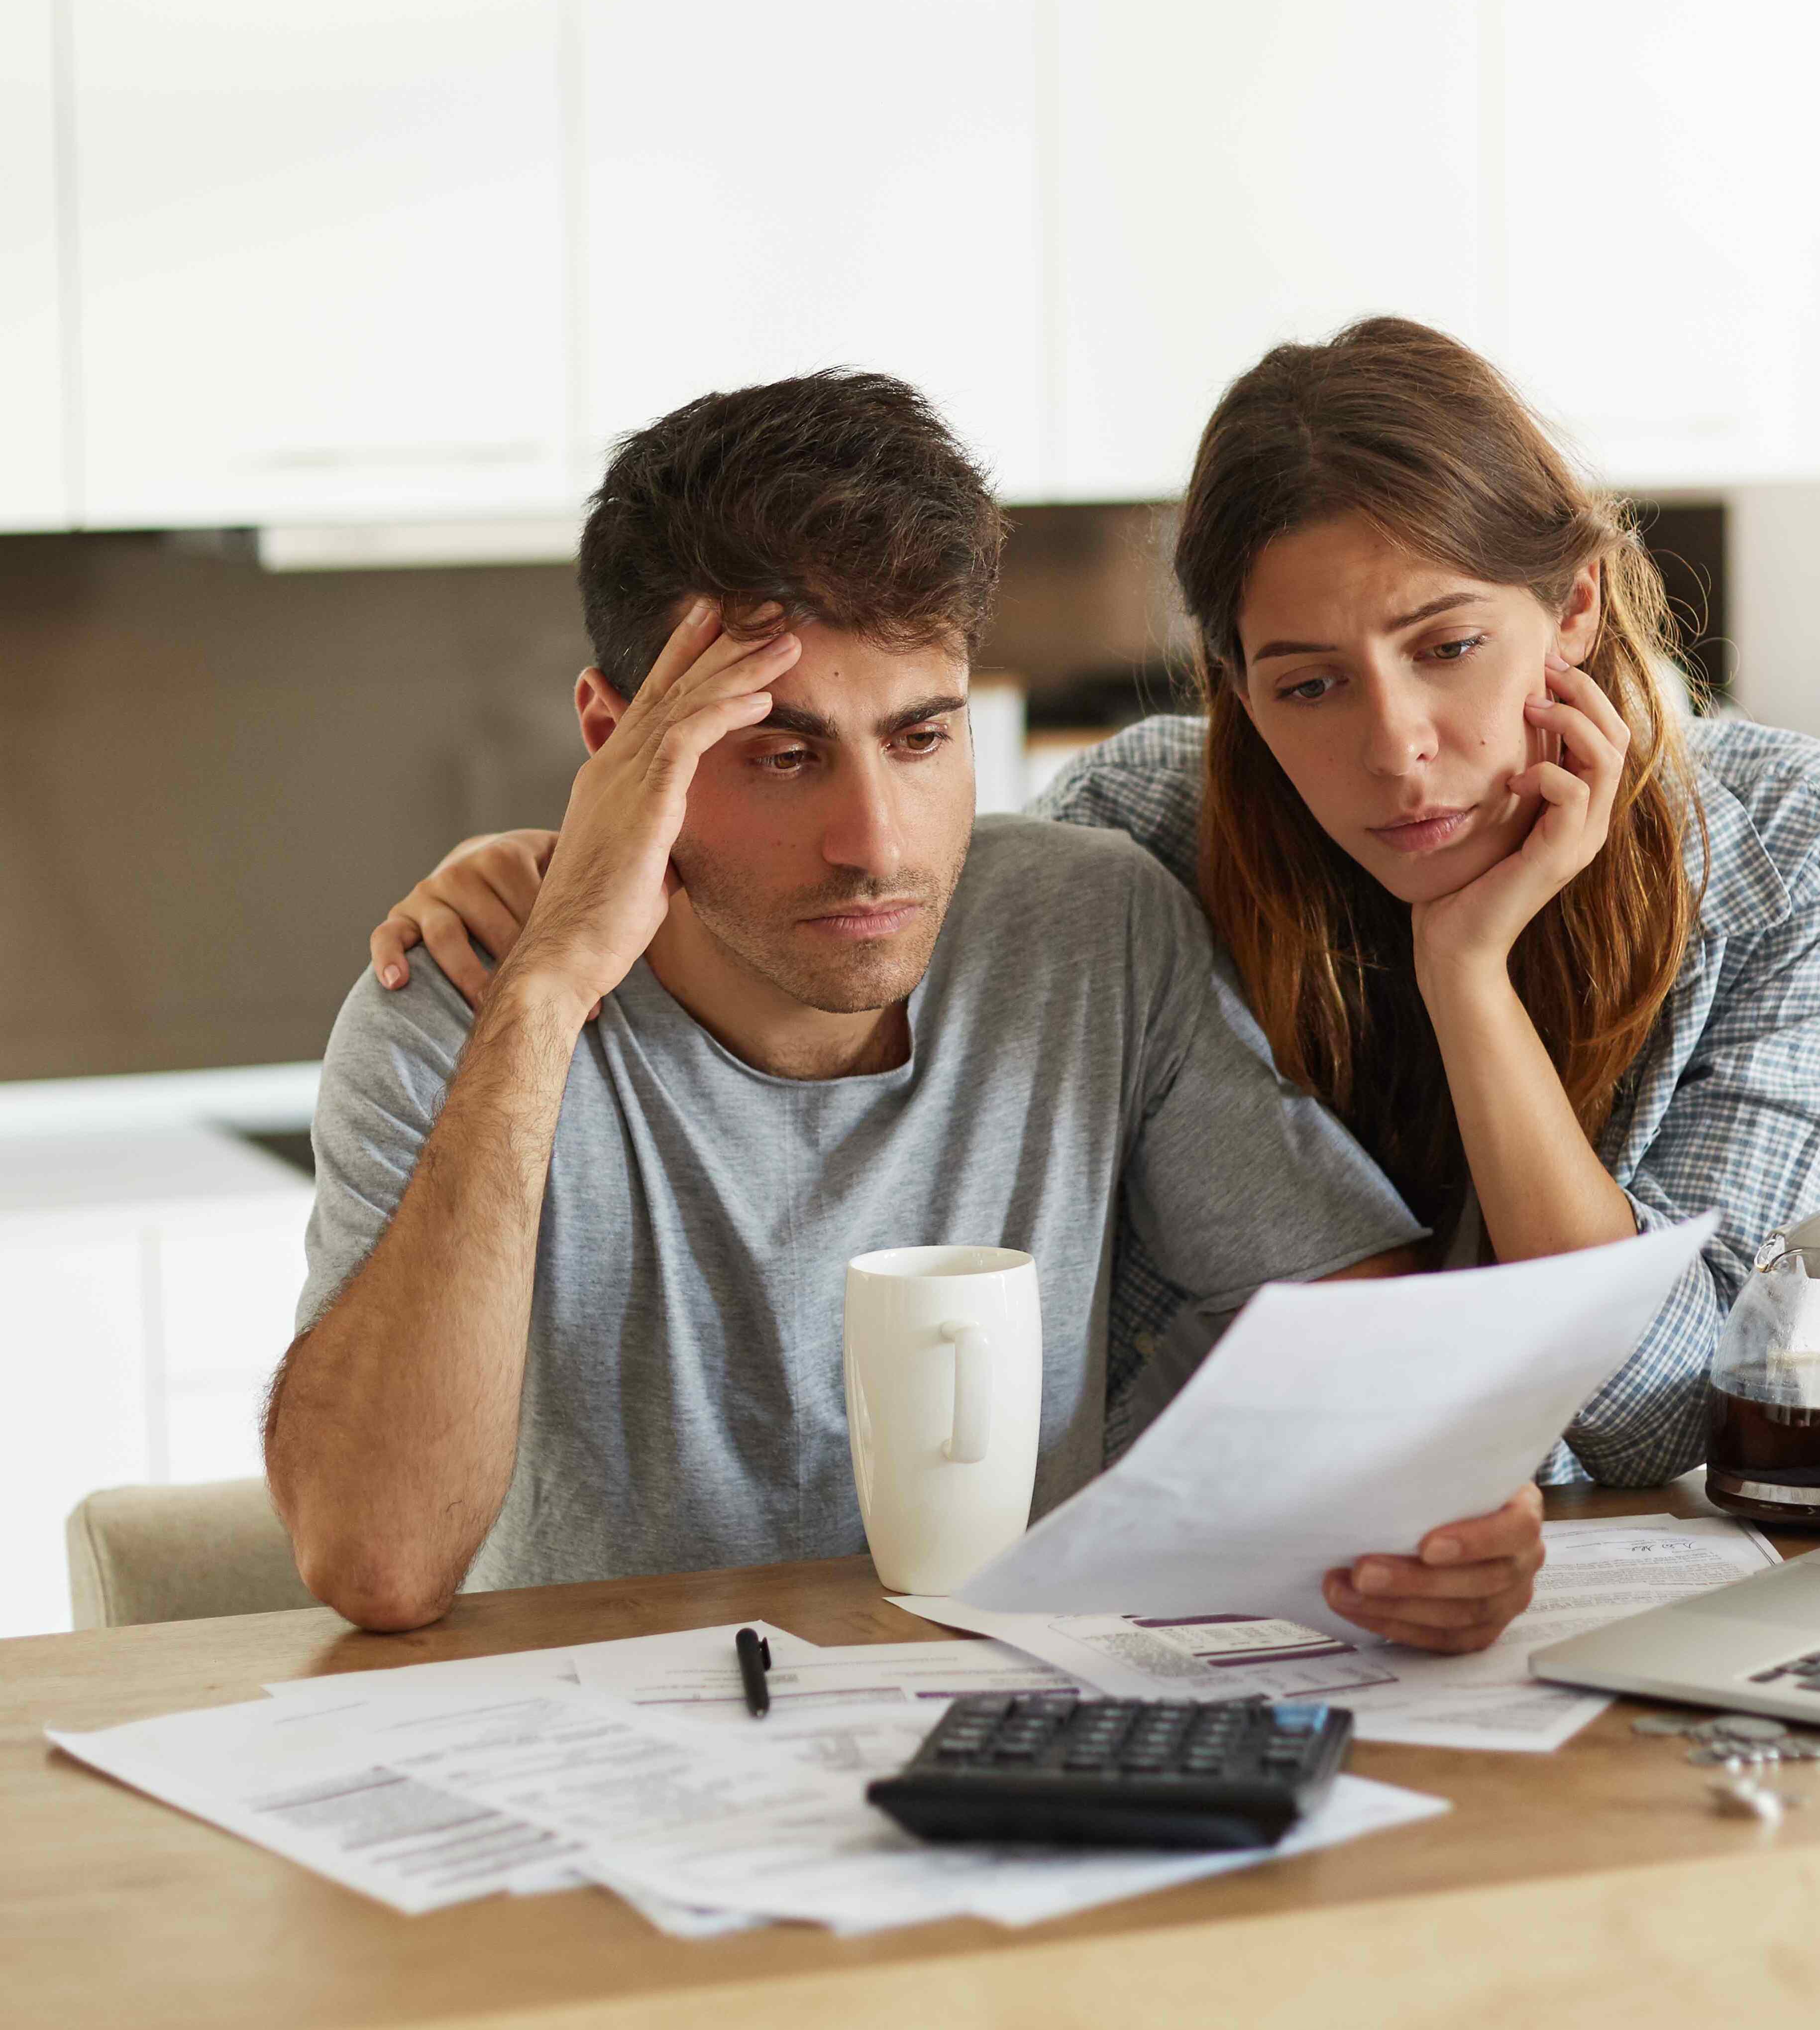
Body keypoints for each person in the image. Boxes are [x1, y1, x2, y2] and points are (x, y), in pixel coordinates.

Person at [376, 320, 1820, 1624]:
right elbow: (871, 904)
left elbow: (1642, 1414)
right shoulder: (1149, 835)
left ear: (1570, 603)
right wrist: (576, 886)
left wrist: (1469, 975)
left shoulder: (1800, 851)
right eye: (1306, 684)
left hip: (1529, 1584)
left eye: (1448, 647)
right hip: (1196, 1600)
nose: (1395, 749)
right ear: (1234, 686)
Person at [269, 368, 1547, 1646]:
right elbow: (378, 1564)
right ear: (615, 740)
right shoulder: (460, 1007)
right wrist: (547, 993)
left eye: (923, 738)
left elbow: (1368, 1341)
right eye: (783, 753)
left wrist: (1440, 1512)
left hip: (1015, 1734)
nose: (874, 844)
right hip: (608, 1754)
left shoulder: (1090, 931)